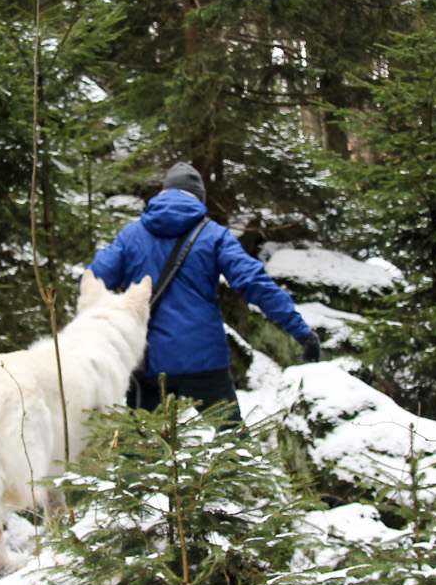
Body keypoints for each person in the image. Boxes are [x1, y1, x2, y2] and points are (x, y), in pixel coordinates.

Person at [87, 162, 321, 415]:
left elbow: (94, 283)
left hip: (147, 362)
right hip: (204, 360)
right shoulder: (214, 235)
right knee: (232, 446)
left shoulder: (130, 235)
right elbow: (255, 283)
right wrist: (301, 332)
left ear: (164, 193)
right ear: (199, 198)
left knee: (143, 449)